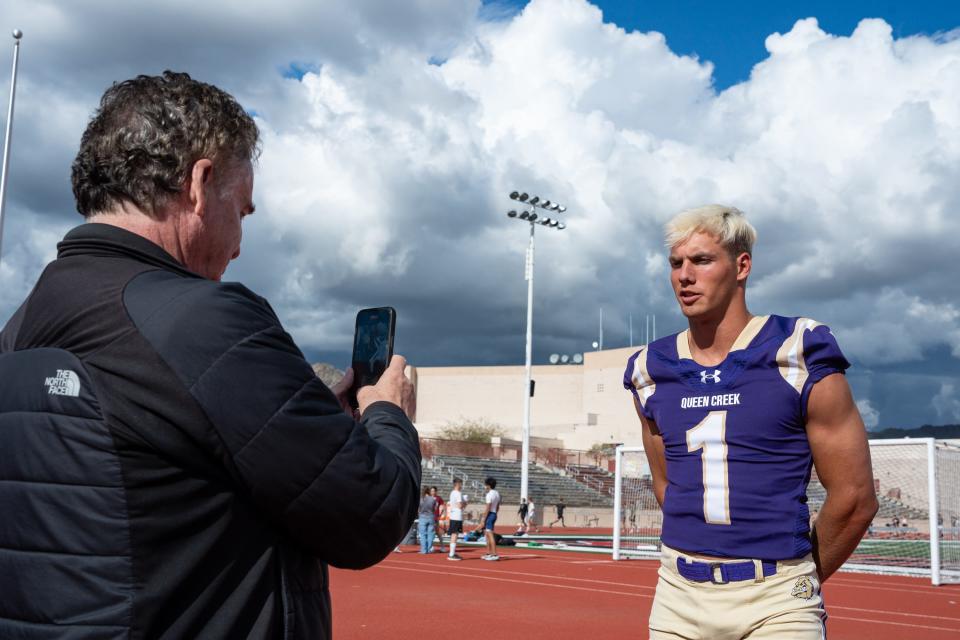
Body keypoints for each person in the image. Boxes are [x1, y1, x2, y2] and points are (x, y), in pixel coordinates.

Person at [0, 71, 421, 639]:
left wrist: (303, 413)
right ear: (199, 184)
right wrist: (386, 413)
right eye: (242, 211)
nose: (240, 246)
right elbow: (370, 511)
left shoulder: (21, 325)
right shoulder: (206, 321)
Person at [623, 205, 877, 639]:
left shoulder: (797, 351)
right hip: (677, 597)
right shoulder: (650, 367)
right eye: (676, 263)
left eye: (701, 260)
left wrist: (796, 581)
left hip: (775, 601)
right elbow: (668, 486)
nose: (685, 275)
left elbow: (854, 497)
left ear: (741, 266)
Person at [447, 477, 468, 561]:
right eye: (461, 484)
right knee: (455, 534)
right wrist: (465, 502)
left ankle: (452, 552)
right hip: (457, 516)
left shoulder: (452, 493)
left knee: (454, 534)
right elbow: (460, 506)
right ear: (457, 484)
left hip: (453, 515)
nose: (461, 485)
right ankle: (451, 554)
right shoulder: (458, 493)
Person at [482, 477, 502, 561]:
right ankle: (489, 553)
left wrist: (483, 518)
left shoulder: (489, 494)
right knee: (487, 534)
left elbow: (488, 507)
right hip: (494, 514)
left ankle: (494, 554)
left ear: (488, 485)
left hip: (490, 514)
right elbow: (497, 506)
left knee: (490, 534)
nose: (485, 486)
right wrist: (494, 514)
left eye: (486, 485)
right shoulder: (497, 493)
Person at [418, 488, 438, 554]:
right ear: (429, 491)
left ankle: (423, 550)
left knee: (423, 534)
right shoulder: (433, 499)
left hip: (422, 517)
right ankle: (429, 549)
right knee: (430, 534)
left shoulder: (421, 499)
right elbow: (435, 508)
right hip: (431, 517)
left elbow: (418, 509)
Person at [430, 485, 446, 552]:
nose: (432, 492)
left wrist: (440, 515)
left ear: (436, 491)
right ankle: (430, 546)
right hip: (429, 517)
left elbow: (442, 507)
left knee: (437, 533)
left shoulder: (438, 498)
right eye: (431, 491)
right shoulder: (428, 498)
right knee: (430, 532)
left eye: (434, 491)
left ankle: (442, 547)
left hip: (435, 517)